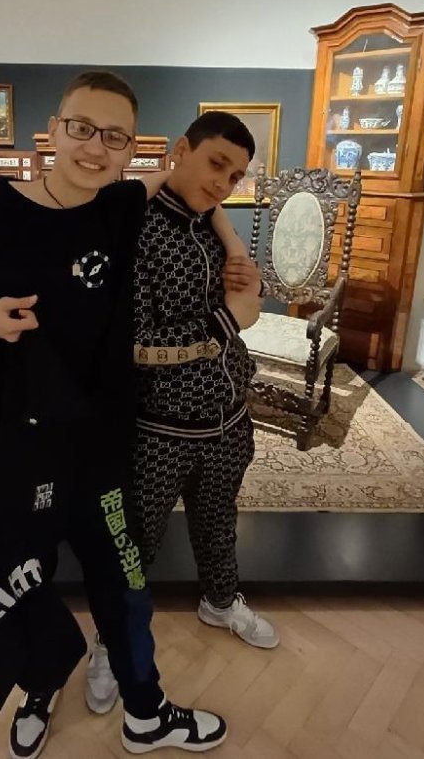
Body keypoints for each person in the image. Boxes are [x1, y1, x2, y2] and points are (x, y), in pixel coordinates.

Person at [0, 71, 228, 759]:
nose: (95, 148)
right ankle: (39, 686)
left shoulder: (117, 205)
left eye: (115, 137)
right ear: (53, 129)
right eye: (82, 129)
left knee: (124, 581)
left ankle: (146, 713)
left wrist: (238, 249)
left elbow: (189, 182)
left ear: (130, 148)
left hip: (101, 448)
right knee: (19, 581)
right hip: (16, 448)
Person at [84, 111, 277, 718]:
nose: (224, 183)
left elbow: (238, 302)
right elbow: (135, 345)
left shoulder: (211, 225)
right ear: (181, 150)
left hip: (228, 418)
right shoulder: (135, 229)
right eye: (216, 163)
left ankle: (220, 601)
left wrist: (242, 281)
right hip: (159, 428)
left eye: (236, 175)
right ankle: (112, 640)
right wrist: (231, 318)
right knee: (135, 543)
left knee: (218, 521)